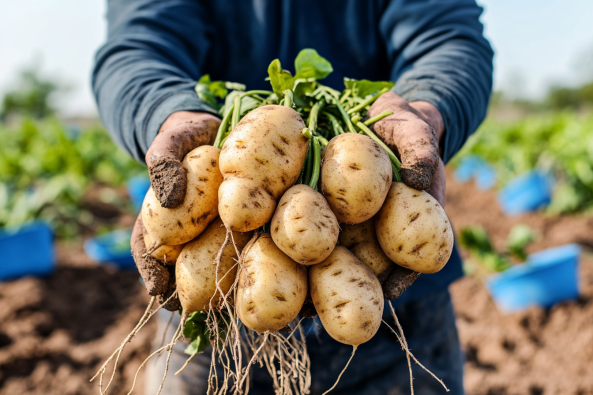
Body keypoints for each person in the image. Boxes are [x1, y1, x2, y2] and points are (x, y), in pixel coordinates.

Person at [92, 1, 493, 394]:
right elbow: (138, 46)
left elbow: (448, 37)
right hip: (218, 303)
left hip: (392, 306)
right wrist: (167, 112)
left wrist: (427, 109)